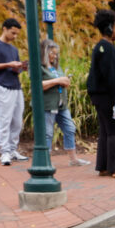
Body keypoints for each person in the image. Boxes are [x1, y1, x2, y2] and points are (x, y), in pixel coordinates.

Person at [85, 8, 115, 178]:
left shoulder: (102, 47)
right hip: (108, 96)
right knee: (114, 130)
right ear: (109, 28)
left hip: (101, 96)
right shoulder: (106, 48)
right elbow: (112, 77)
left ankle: (104, 167)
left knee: (105, 131)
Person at [39, 39, 90, 167]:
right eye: (52, 53)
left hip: (61, 105)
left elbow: (61, 81)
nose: (55, 56)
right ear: (45, 53)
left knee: (70, 128)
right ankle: (46, 162)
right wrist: (58, 81)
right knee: (48, 133)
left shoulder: (56, 66)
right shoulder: (38, 67)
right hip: (48, 105)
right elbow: (38, 85)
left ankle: (73, 159)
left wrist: (65, 81)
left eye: (56, 54)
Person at [0, 18, 27, 166]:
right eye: (13, 33)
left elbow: (14, 67)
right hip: (3, 87)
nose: (15, 37)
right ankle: (4, 152)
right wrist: (8, 64)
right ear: (4, 29)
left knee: (17, 121)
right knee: (4, 120)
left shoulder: (14, 49)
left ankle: (13, 149)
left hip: (16, 86)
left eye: (16, 34)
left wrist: (20, 67)